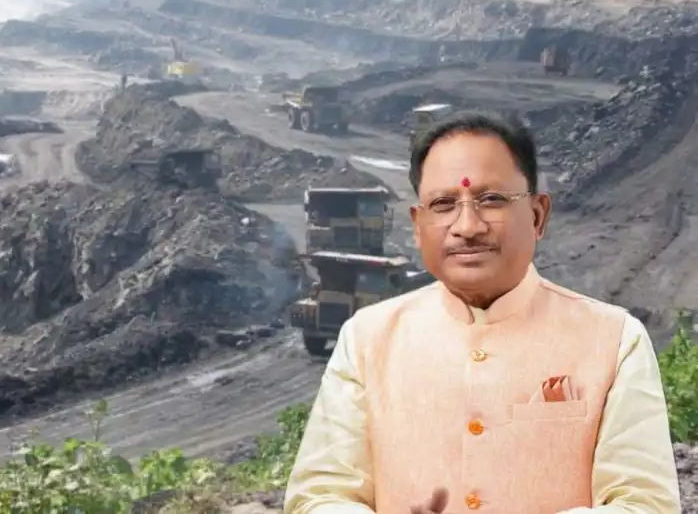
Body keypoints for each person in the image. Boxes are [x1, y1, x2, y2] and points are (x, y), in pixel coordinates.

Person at [284, 111, 680, 514]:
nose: (468, 226)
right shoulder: (367, 340)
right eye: (443, 204)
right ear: (418, 226)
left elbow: (646, 504)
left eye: (491, 200)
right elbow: (319, 497)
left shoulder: (614, 340)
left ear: (538, 215)